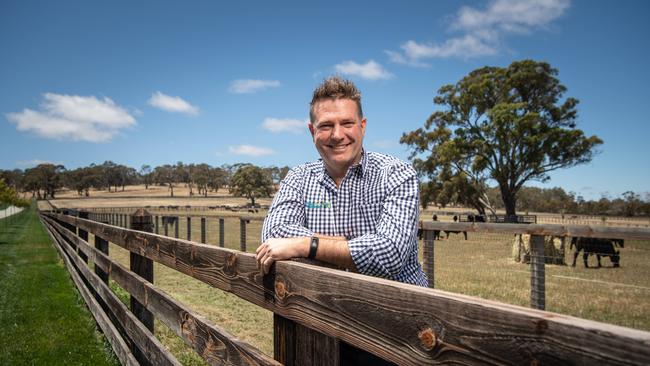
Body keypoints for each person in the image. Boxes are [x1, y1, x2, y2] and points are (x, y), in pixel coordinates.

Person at [256, 76, 428, 287]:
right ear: (312, 131)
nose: (337, 135)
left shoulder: (397, 174)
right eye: (326, 125)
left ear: (362, 126)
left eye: (347, 123)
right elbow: (274, 233)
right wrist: (352, 245)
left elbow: (389, 255)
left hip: (400, 311)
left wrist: (306, 245)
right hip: (326, 311)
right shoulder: (299, 177)